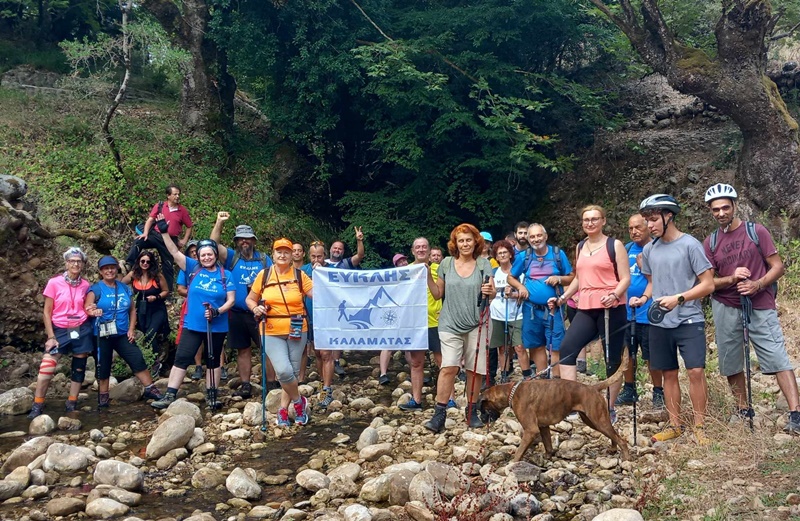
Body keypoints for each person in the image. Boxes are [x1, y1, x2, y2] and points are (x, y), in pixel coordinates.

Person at [702, 183, 800, 433]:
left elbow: (777, 266)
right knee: (730, 360)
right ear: (711, 212)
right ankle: (742, 409)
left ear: (735, 206)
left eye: (725, 207)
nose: (721, 213)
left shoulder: (756, 231)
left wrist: (758, 284)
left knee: (777, 357)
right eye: (716, 209)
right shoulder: (710, 243)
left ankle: (796, 413)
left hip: (760, 302)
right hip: (726, 304)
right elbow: (708, 283)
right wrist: (732, 279)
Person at [629, 194, 714, 445]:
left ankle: (700, 425)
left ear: (669, 216)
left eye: (654, 220)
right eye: (647, 220)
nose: (649, 226)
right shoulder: (649, 249)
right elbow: (652, 283)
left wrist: (679, 298)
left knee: (696, 371)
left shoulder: (690, 245)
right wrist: (644, 299)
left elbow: (707, 284)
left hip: (689, 319)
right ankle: (675, 425)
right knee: (668, 373)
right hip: (659, 321)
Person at [549, 206, 631, 424]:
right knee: (567, 348)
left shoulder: (615, 245)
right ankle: (572, 403)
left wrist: (614, 294)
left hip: (611, 308)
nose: (590, 223)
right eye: (586, 220)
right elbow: (579, 278)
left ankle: (608, 407)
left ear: (603, 221)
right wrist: (564, 297)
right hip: (586, 307)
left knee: (611, 358)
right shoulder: (580, 246)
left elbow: (625, 278)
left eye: (595, 219)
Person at [423, 224, 495, 433]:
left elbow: (492, 293)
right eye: (461, 240)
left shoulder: (484, 265)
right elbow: (437, 293)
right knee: (449, 367)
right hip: (450, 324)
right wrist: (427, 274)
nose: (465, 244)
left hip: (478, 323)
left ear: (475, 242)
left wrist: (491, 291)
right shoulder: (446, 264)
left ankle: (471, 411)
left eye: (468, 240)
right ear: (455, 243)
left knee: (475, 369)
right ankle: (439, 414)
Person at [151, 234, 235, 410]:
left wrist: (217, 311)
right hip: (193, 325)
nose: (206, 257)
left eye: (209, 254)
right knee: (182, 358)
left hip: (217, 325)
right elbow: (174, 251)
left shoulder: (225, 274)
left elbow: (231, 300)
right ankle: (169, 395)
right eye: (202, 255)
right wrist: (165, 233)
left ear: (215, 254)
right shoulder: (192, 268)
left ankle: (212, 395)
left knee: (213, 360)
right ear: (198, 256)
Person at [246, 238, 314, 426]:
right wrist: (255, 308)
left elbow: (316, 293)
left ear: (293, 255)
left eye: (286, 252)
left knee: (291, 371)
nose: (283, 255)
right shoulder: (264, 275)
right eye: (279, 252)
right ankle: (299, 402)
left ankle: (283, 411)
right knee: (284, 372)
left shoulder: (300, 276)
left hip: (297, 328)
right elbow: (250, 299)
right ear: (273, 254)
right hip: (270, 329)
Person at [210, 212, 277, 398]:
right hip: (237, 313)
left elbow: (274, 279)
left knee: (268, 348)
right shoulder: (232, 257)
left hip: (261, 311)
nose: (244, 242)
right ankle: (246, 384)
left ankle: (271, 383)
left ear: (254, 240)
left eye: (247, 239)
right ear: (236, 241)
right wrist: (219, 222)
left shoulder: (264, 259)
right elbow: (213, 244)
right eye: (240, 239)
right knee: (243, 349)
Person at [84, 256, 162, 407]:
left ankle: (150, 389)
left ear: (116, 269)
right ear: (101, 271)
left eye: (112, 267)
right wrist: (94, 311)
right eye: (106, 268)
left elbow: (132, 310)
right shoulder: (96, 289)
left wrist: (131, 329)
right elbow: (88, 308)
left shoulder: (125, 288)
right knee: (103, 365)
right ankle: (103, 398)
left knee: (137, 357)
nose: (110, 271)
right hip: (102, 335)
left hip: (121, 333)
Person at [29, 247, 94, 419]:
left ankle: (71, 402)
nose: (75, 264)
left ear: (83, 264)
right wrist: (51, 337)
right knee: (46, 369)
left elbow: (87, 307)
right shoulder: (54, 282)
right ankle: (37, 405)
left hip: (80, 328)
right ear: (66, 263)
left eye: (79, 261)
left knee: (78, 367)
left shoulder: (86, 285)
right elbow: (47, 312)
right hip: (59, 329)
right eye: (72, 261)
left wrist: (93, 310)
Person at [507, 223, 574, 379]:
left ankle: (556, 381)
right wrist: (520, 287)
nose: (536, 239)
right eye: (532, 237)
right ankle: (542, 379)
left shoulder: (557, 254)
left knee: (556, 346)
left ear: (545, 236)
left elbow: (571, 277)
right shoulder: (525, 257)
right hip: (531, 309)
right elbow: (511, 277)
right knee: (536, 345)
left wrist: (558, 278)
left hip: (553, 308)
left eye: (538, 236)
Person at [617, 214, 664, 409]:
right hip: (626, 312)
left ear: (648, 227)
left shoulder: (658, 247)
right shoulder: (626, 249)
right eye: (630, 228)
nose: (634, 231)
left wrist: (646, 267)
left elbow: (665, 278)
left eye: (638, 227)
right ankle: (629, 389)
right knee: (627, 353)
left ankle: (658, 392)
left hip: (649, 312)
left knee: (651, 356)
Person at [400, 237, 448, 411]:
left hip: (436, 321)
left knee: (442, 361)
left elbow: (445, 292)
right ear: (412, 251)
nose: (421, 250)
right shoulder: (406, 270)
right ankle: (416, 400)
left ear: (429, 251)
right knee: (416, 362)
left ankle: (449, 398)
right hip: (415, 323)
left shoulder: (440, 268)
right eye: (417, 247)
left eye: (424, 247)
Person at [123, 185, 193, 289]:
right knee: (139, 241)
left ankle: (168, 291)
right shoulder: (160, 206)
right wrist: (145, 233)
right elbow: (150, 220)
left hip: (169, 240)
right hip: (155, 235)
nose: (178, 196)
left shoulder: (182, 210)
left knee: (168, 264)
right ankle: (129, 263)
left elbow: (189, 226)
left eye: (179, 194)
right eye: (175, 194)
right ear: (168, 195)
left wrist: (184, 240)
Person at [121, 250, 170, 376]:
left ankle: (155, 363)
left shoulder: (157, 276)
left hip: (157, 309)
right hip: (141, 310)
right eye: (143, 261)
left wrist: (157, 297)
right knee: (143, 332)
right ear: (139, 261)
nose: (145, 263)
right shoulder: (134, 274)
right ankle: (144, 361)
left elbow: (166, 291)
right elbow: (120, 284)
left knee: (150, 334)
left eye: (148, 261)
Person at [326, 227, 366, 376]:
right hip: (324, 304)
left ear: (343, 252)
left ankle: (336, 361)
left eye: (340, 249)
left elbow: (360, 255)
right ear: (330, 249)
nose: (337, 250)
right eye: (335, 248)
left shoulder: (346, 263)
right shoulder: (321, 264)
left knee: (339, 332)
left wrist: (359, 240)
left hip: (341, 304)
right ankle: (323, 362)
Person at [305, 241, 338, 408]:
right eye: (313, 256)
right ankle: (322, 380)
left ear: (325, 256)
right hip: (309, 317)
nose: (316, 259)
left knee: (326, 353)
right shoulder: (303, 271)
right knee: (317, 353)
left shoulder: (332, 271)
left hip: (327, 317)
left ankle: (327, 387)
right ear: (309, 255)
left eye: (319, 256)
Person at [489, 240, 526, 384]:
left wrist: (514, 294)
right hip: (497, 314)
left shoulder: (519, 272)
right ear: (496, 257)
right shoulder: (493, 273)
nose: (503, 255)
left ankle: (526, 374)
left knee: (519, 346)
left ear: (511, 254)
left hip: (516, 313)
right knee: (502, 346)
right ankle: (504, 374)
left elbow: (525, 293)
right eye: (499, 253)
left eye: (505, 252)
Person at [175, 241, 207, 380]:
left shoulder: (215, 268)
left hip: (212, 305)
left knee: (215, 335)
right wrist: (196, 293)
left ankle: (221, 366)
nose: (194, 254)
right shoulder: (186, 268)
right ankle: (198, 366)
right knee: (194, 335)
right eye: (191, 252)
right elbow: (180, 289)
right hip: (191, 305)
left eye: (196, 251)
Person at [377, 253, 410, 385]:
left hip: (408, 313)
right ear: (395, 265)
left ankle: (414, 372)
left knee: (410, 344)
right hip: (393, 315)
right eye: (400, 262)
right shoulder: (390, 277)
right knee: (387, 343)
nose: (403, 263)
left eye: (404, 260)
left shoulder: (413, 273)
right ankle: (383, 373)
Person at [293, 242, 314, 382]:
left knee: (302, 345)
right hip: (290, 313)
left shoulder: (308, 269)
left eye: (299, 250)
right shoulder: (284, 270)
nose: (296, 253)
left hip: (304, 313)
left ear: (303, 253)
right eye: (293, 250)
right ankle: (288, 377)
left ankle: (300, 377)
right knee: (291, 344)